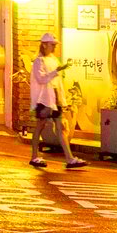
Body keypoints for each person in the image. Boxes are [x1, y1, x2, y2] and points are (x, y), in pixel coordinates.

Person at [27, 33, 85, 170]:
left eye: (55, 45)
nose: (54, 48)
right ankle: (34, 156)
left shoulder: (53, 59)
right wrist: (57, 71)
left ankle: (69, 158)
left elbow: (57, 82)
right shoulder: (38, 61)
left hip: (54, 99)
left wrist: (62, 100)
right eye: (52, 45)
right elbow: (41, 79)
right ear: (44, 44)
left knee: (61, 128)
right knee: (40, 126)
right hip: (44, 99)